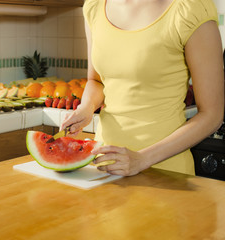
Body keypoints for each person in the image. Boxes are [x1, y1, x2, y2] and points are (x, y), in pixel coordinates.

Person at [61, 0, 224, 176]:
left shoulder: (190, 9)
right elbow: (97, 81)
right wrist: (86, 107)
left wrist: (142, 159)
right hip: (103, 167)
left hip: (164, 173)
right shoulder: (95, 6)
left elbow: (212, 114)